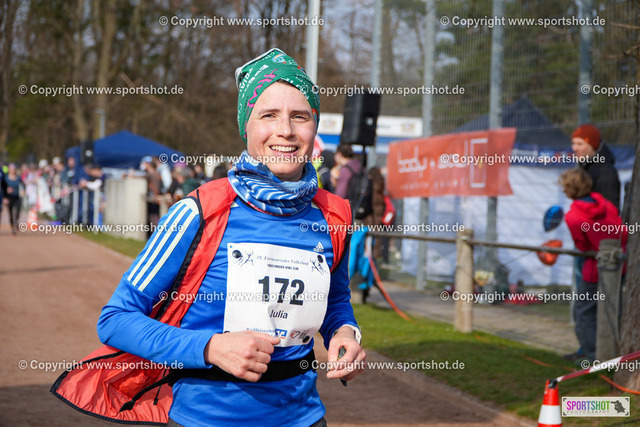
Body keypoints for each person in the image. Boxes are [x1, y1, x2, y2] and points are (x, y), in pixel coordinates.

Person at [96, 48, 365, 427]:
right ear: (246, 127)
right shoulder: (199, 212)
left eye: (300, 116)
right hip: (203, 419)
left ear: (314, 128)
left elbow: (335, 301)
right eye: (268, 115)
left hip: (304, 418)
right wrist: (209, 347)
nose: (286, 130)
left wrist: (345, 333)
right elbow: (116, 319)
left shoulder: (334, 215)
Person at [559, 167, 627, 362]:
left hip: (593, 269)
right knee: (612, 310)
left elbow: (581, 245)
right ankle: (613, 353)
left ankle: (592, 356)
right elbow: (622, 232)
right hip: (619, 265)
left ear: (569, 189)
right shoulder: (606, 205)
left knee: (583, 312)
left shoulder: (573, 216)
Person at [571, 124, 621, 212]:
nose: (575, 148)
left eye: (580, 144)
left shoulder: (605, 171)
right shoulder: (584, 167)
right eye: (573, 143)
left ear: (593, 146)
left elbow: (610, 211)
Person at [4, 163, 25, 235]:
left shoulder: (18, 178)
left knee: (18, 211)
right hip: (9, 198)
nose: (13, 170)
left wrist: (23, 191)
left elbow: (23, 185)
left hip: (17, 197)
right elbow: (3, 187)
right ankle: (12, 228)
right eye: (12, 169)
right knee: (10, 213)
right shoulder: (6, 178)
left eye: (14, 169)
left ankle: (16, 221)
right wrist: (6, 192)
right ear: (9, 170)